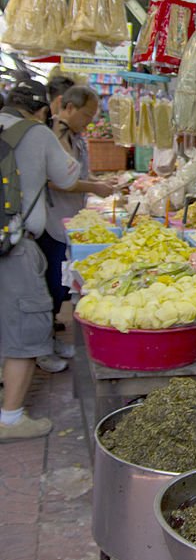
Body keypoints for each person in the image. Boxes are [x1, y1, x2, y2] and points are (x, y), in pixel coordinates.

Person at [0, 79, 80, 442]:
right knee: (25, 327)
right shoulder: (38, 133)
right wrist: (56, 135)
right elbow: (68, 175)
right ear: (45, 108)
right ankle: (11, 418)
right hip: (14, 244)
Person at [36, 85, 116, 371]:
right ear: (68, 107)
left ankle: (50, 340)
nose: (90, 121)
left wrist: (100, 182)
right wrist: (96, 187)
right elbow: (54, 180)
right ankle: (41, 349)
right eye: (86, 114)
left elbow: (78, 173)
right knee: (51, 286)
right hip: (52, 220)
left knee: (59, 286)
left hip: (71, 221)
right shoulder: (54, 135)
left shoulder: (76, 137)